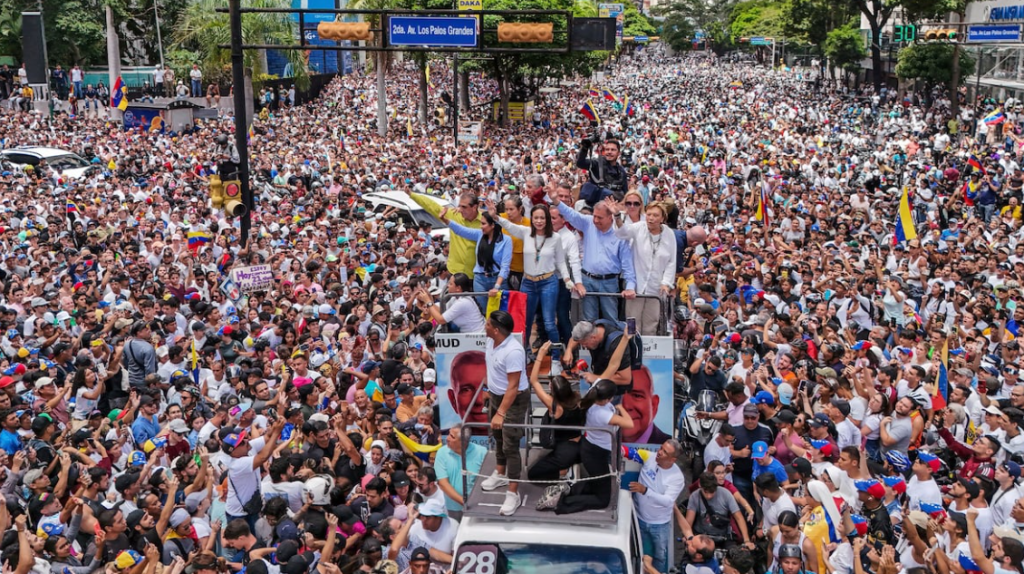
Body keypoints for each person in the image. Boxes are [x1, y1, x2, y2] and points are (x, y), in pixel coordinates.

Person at [491, 201, 571, 352]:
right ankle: (525, 353)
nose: (539, 221)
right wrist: (495, 216)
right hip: (528, 282)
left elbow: (561, 261)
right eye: (536, 218)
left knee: (549, 322)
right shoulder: (525, 232)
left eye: (542, 218)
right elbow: (509, 226)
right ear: (531, 219)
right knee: (525, 322)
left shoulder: (555, 237)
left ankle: (555, 358)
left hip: (548, 282)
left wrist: (567, 279)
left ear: (547, 219)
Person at [548, 187, 637, 323]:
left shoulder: (619, 234)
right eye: (594, 216)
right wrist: (555, 200)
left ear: (610, 217)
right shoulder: (588, 222)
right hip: (587, 281)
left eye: (599, 217)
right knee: (588, 321)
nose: (595, 220)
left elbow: (627, 264)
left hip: (609, 282)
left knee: (611, 320)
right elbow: (570, 214)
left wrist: (630, 287)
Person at [547, 379, 633, 514]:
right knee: (603, 500)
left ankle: (567, 490)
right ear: (607, 399)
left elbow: (600, 380)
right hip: (595, 454)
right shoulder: (602, 414)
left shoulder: (591, 396)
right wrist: (621, 407)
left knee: (597, 483)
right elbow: (629, 423)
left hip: (590, 448)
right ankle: (562, 503)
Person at [478, 310, 530, 515]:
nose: (485, 326)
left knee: (510, 445)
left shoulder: (514, 351)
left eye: (488, 324)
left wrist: (501, 413)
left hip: (513, 401)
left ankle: (513, 492)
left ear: (497, 330)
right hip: (496, 396)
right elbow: (491, 367)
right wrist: (488, 389)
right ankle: (500, 473)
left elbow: (514, 386)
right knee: (498, 437)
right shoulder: (491, 342)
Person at [610, 201, 677, 335]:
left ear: (662, 218)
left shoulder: (669, 234)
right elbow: (622, 233)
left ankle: (646, 354)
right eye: (649, 214)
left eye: (655, 215)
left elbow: (671, 261)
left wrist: (666, 283)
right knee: (632, 325)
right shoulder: (639, 227)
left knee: (651, 325)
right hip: (637, 287)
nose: (651, 218)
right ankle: (632, 352)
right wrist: (617, 216)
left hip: (656, 289)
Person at [526, 341, 584, 489]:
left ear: (554, 393)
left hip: (563, 448)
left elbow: (533, 380)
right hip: (578, 442)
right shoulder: (578, 398)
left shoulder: (555, 406)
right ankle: (567, 468)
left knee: (533, 474)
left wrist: (540, 355)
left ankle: (564, 474)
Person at [623, 439, 685, 574]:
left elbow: (668, 501)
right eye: (661, 448)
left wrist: (645, 491)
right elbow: (630, 453)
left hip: (659, 525)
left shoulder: (677, 477)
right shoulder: (650, 457)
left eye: (664, 452)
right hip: (638, 518)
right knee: (640, 555)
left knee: (659, 557)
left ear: (672, 459)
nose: (659, 453)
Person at [441, 210, 511, 311]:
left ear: (492, 225)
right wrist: (444, 219)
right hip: (480, 280)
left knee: (500, 313)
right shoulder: (479, 235)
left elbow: (505, 266)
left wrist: (497, 286)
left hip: (498, 280)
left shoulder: (506, 240)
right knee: (483, 311)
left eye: (483, 223)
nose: (480, 226)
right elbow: (461, 230)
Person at [434, 423, 486, 520]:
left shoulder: (482, 453)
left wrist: (473, 504)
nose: (447, 438)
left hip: (477, 507)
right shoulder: (442, 453)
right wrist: (464, 502)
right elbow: (443, 483)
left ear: (463, 442)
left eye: (452, 437)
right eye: (449, 434)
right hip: (453, 509)